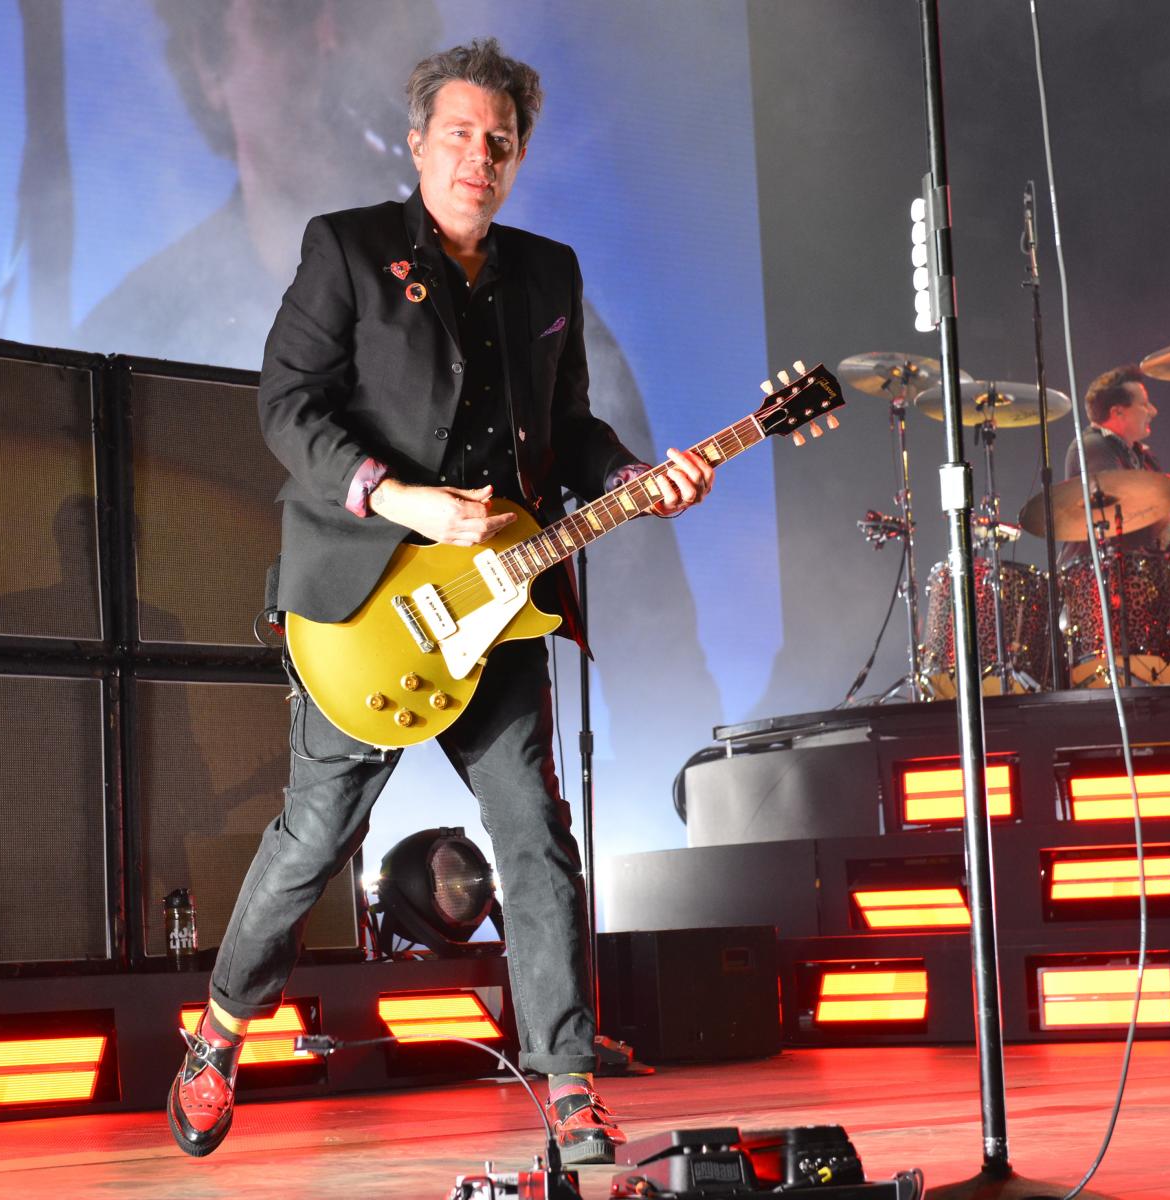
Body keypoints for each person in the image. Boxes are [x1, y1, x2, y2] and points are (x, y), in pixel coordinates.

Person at [166, 39, 714, 1165]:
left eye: (499, 140)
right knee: (314, 838)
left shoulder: (547, 273)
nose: (479, 155)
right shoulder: (346, 248)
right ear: (417, 143)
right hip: (366, 598)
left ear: (518, 158)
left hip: (500, 602)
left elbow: (567, 429)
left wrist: (629, 476)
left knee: (535, 837)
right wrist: (396, 497)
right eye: (459, 134)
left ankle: (568, 1083)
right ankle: (218, 1031)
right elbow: (287, 406)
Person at [1062, 365, 1170, 572]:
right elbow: (1117, 505)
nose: (1153, 411)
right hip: (1094, 578)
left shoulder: (1142, 455)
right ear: (1118, 412)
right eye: (1144, 404)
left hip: (1135, 574)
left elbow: (1163, 524)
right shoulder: (1092, 446)